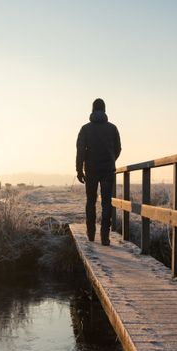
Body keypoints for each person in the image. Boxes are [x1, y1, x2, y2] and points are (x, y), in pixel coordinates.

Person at [76, 98, 121, 245]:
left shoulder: (85, 129)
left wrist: (79, 170)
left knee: (91, 201)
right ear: (105, 110)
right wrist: (110, 159)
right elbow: (118, 148)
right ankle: (105, 237)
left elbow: (80, 151)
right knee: (107, 203)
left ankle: (90, 234)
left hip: (91, 170)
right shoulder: (112, 128)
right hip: (108, 170)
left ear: (93, 110)